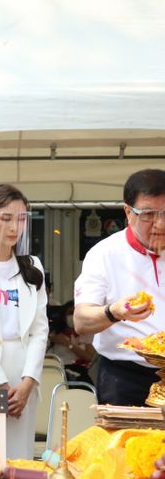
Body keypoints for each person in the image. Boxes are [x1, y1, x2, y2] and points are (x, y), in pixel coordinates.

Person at [74, 169, 165, 406]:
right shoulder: (105, 253)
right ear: (128, 212)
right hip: (125, 377)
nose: (160, 224)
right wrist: (113, 312)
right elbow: (81, 321)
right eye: (148, 214)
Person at [0, 185, 48, 460]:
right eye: (6, 218)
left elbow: (40, 330)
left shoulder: (31, 266)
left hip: (22, 372)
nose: (15, 227)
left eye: (22, 219)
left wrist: (28, 382)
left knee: (20, 456)